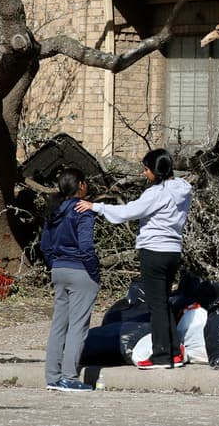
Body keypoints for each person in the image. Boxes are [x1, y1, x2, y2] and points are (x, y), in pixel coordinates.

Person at [76, 148, 192, 369]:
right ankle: (174, 352)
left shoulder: (156, 193)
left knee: (156, 305)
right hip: (173, 251)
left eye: (146, 169)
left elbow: (129, 212)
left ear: (156, 172)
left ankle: (161, 355)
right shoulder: (183, 189)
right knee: (164, 301)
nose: (144, 173)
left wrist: (96, 207)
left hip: (154, 252)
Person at [40, 167, 100, 392]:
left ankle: (52, 376)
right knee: (78, 326)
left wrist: (54, 264)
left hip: (59, 270)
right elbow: (86, 246)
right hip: (80, 271)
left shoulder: (54, 210)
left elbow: (45, 245)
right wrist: (94, 271)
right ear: (81, 185)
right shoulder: (83, 211)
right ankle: (69, 376)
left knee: (58, 325)